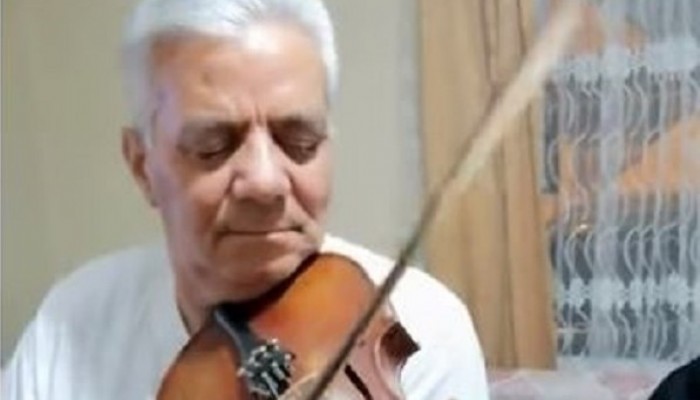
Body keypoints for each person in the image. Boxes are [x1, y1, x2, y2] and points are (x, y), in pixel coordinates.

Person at [2, 0, 489, 398]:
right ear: (142, 166)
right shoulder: (71, 326)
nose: (265, 181)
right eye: (212, 146)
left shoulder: (419, 329)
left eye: (300, 141)